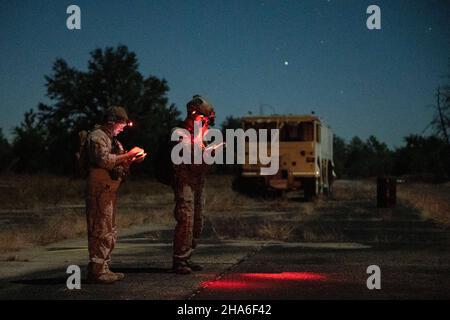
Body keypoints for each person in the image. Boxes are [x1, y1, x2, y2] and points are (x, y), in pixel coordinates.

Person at [85, 106, 146, 284]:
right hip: (99, 189)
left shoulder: (113, 140)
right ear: (111, 121)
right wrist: (128, 154)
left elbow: (119, 161)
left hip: (109, 189)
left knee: (109, 229)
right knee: (100, 229)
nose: (122, 128)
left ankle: (104, 267)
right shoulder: (97, 137)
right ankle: (97, 271)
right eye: (121, 124)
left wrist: (132, 159)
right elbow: (103, 160)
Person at [171, 95, 215, 274]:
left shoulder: (199, 135)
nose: (205, 124)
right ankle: (180, 260)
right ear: (194, 115)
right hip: (185, 183)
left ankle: (188, 256)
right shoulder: (179, 133)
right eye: (203, 119)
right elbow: (191, 160)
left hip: (198, 183)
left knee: (198, 221)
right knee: (186, 220)